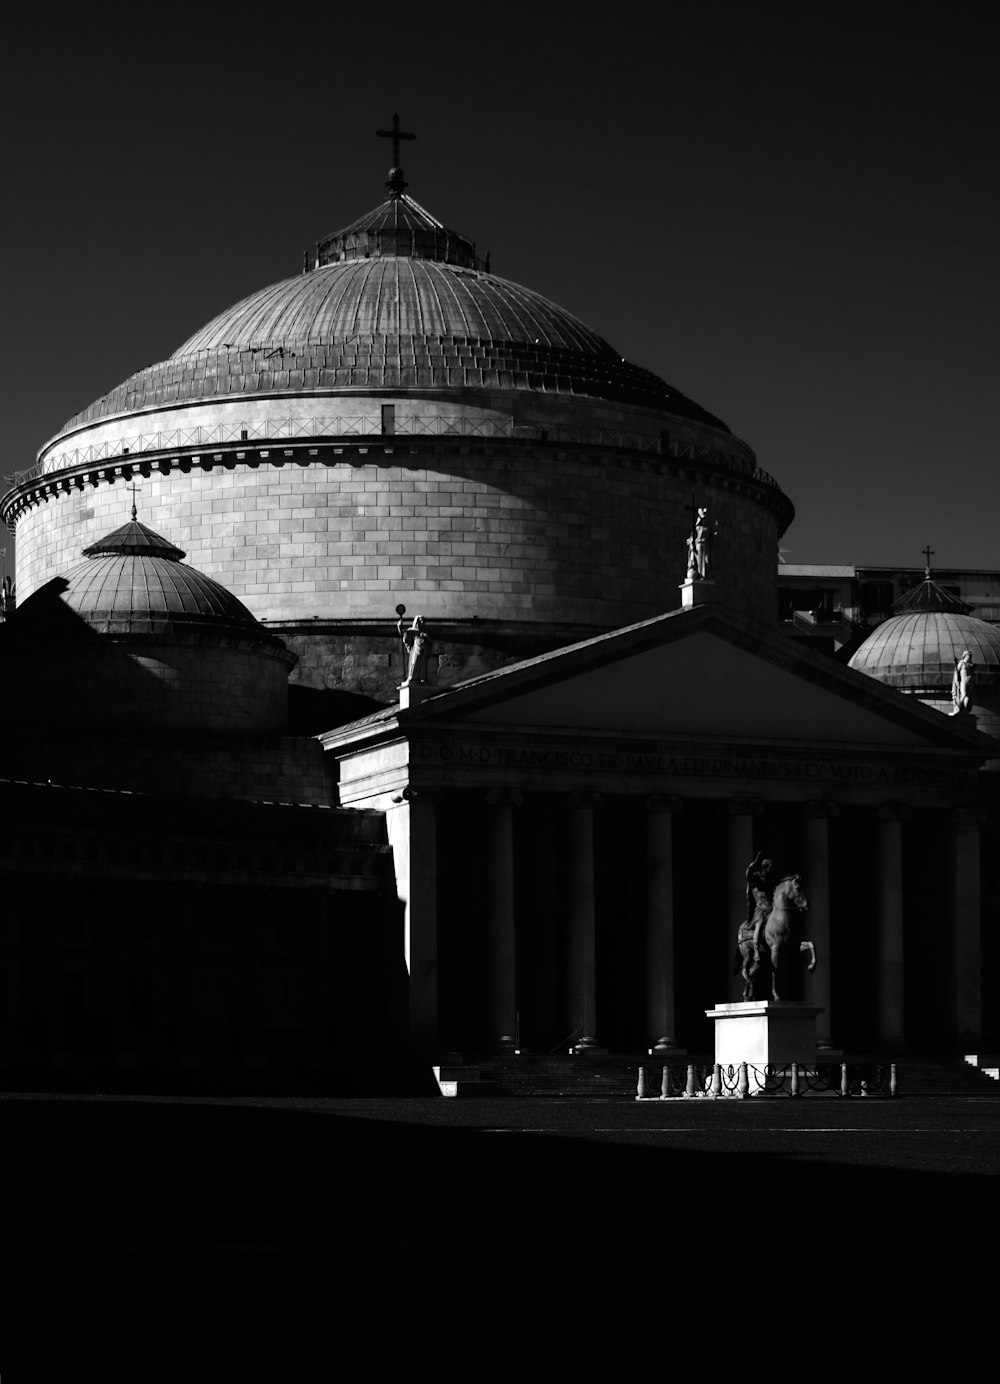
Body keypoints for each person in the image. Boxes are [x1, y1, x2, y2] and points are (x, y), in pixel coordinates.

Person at [401, 616, 433, 684]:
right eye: (420, 620)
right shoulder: (412, 630)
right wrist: (399, 627)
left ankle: (422, 678)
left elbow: (431, 641)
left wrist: (426, 636)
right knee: (414, 662)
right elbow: (406, 638)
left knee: (423, 664)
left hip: (424, 650)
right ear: (416, 622)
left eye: (423, 621)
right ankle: (412, 677)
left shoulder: (425, 632)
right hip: (415, 650)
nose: (422, 622)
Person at [950, 650, 974, 716]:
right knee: (963, 695)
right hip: (963, 682)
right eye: (968, 655)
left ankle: (964, 711)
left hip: (970, 683)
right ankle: (957, 708)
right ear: (965, 656)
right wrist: (956, 681)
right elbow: (956, 672)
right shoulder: (961, 663)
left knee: (967, 697)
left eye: (970, 656)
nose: (969, 657)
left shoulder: (970, 665)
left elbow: (972, 674)